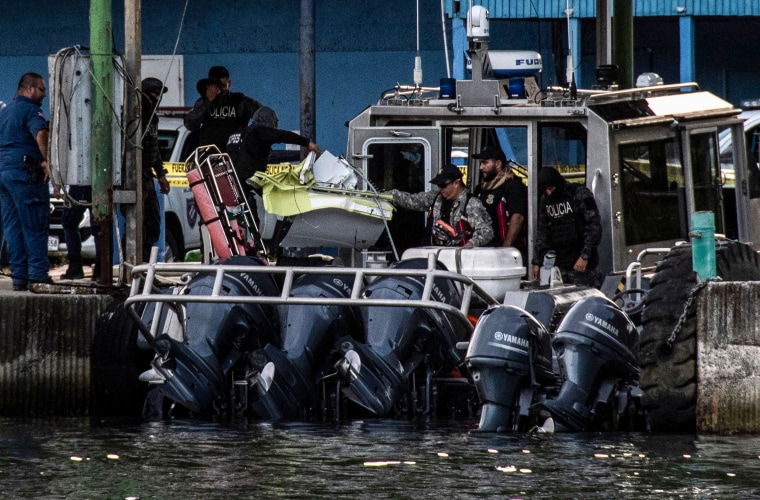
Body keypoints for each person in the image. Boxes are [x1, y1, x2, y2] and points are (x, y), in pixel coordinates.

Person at [0, 72, 53, 291]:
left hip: (4, 173)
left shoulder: (5, 112)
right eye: (42, 89)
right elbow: (40, 133)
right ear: (29, 88)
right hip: (25, 173)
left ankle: (19, 277)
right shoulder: (32, 110)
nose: (44, 95)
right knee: (35, 224)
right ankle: (38, 275)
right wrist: (47, 161)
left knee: (12, 226)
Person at [389, 163, 493, 248]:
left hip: (455, 259)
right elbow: (412, 200)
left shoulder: (471, 204)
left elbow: (486, 231)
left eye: (443, 185)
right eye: (438, 185)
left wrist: (471, 243)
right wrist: (389, 195)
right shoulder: (435, 197)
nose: (440, 189)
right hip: (433, 254)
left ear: (456, 183)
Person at [531, 166, 603, 287]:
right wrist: (537, 262)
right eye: (545, 189)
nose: (548, 192)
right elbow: (543, 232)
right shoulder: (546, 200)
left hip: (582, 263)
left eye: (550, 188)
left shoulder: (579, 194)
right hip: (560, 263)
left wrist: (584, 256)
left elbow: (594, 225)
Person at [184, 66, 262, 152]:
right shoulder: (203, 102)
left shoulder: (240, 101)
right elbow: (191, 124)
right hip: (209, 156)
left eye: (223, 85)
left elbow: (264, 115)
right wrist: (208, 101)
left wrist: (248, 134)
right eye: (216, 85)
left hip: (234, 155)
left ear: (229, 83)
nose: (220, 89)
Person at [232, 106, 321, 181]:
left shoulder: (239, 133)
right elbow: (282, 135)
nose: (275, 127)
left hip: (232, 182)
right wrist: (307, 143)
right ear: (269, 121)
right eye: (275, 123)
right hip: (248, 182)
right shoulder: (260, 131)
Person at [472, 146, 528, 259]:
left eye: (485, 163)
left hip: (505, 253)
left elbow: (518, 217)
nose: (481, 167)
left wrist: (506, 247)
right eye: (480, 163)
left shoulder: (513, 185)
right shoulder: (480, 188)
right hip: (483, 251)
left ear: (498, 163)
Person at [140, 77, 172, 262]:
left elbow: (154, 149)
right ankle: (135, 268)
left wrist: (161, 175)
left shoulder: (153, 118)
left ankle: (145, 267)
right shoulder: (136, 117)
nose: (158, 99)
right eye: (155, 95)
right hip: (136, 176)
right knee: (138, 224)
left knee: (152, 223)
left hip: (147, 176)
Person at [58, 185, 101, 280]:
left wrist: (57, 185)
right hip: (97, 184)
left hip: (79, 183)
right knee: (100, 225)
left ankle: (75, 267)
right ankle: (101, 270)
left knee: (69, 221)